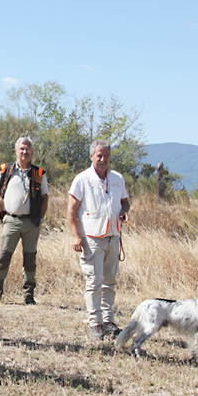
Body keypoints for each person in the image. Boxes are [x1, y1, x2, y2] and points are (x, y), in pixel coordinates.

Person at [67, 139, 130, 340]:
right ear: (91, 156)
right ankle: (95, 322)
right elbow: (71, 210)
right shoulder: (82, 179)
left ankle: (108, 320)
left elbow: (125, 202)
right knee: (94, 281)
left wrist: (124, 212)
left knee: (110, 281)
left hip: (113, 237)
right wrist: (76, 236)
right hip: (91, 238)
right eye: (99, 155)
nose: (103, 159)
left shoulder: (118, 178)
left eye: (106, 156)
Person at [0, 137, 49, 304]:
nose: (25, 152)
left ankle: (29, 295)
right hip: (11, 220)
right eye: (22, 149)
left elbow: (45, 197)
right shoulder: (6, 169)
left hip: (32, 222)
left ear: (31, 152)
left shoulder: (39, 173)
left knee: (30, 260)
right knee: (3, 257)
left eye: (28, 149)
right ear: (16, 151)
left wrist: (41, 217)